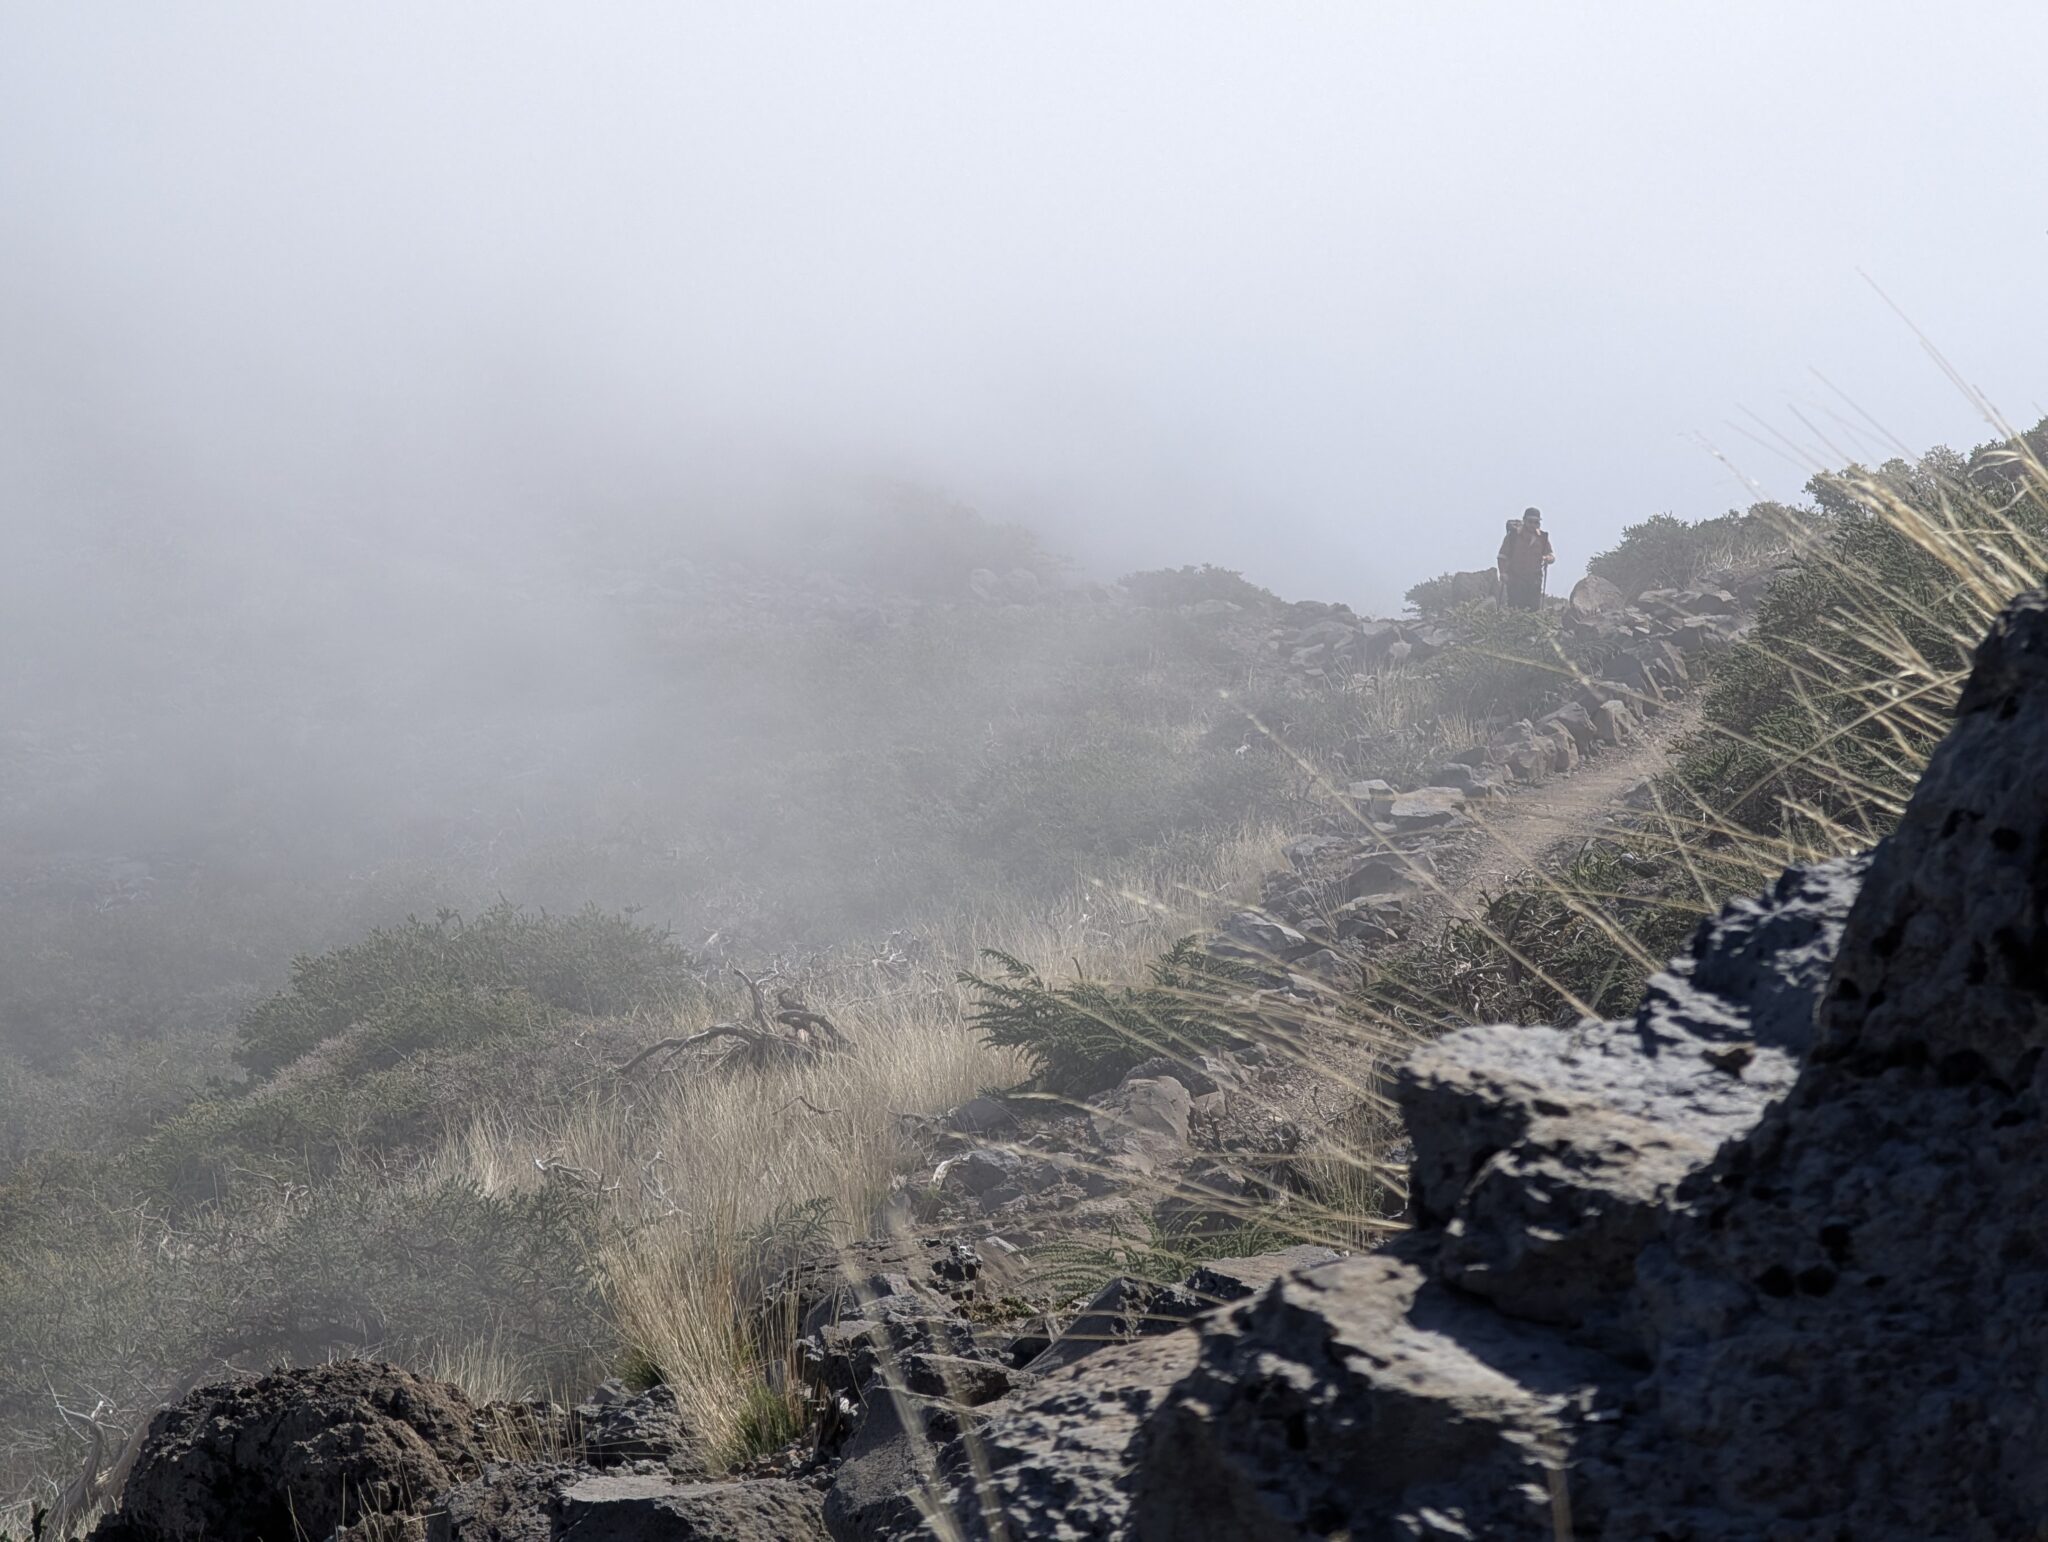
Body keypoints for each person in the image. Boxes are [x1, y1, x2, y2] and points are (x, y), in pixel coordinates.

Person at [1498, 507, 1554, 610]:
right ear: (1524, 520)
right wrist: (1503, 573)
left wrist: (1548, 558)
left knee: (1533, 610)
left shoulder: (1542, 538)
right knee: (1515, 609)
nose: (1533, 525)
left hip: (1534, 581)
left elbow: (1551, 554)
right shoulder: (1513, 536)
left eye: (1536, 522)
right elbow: (1502, 556)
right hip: (1515, 580)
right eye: (1530, 521)